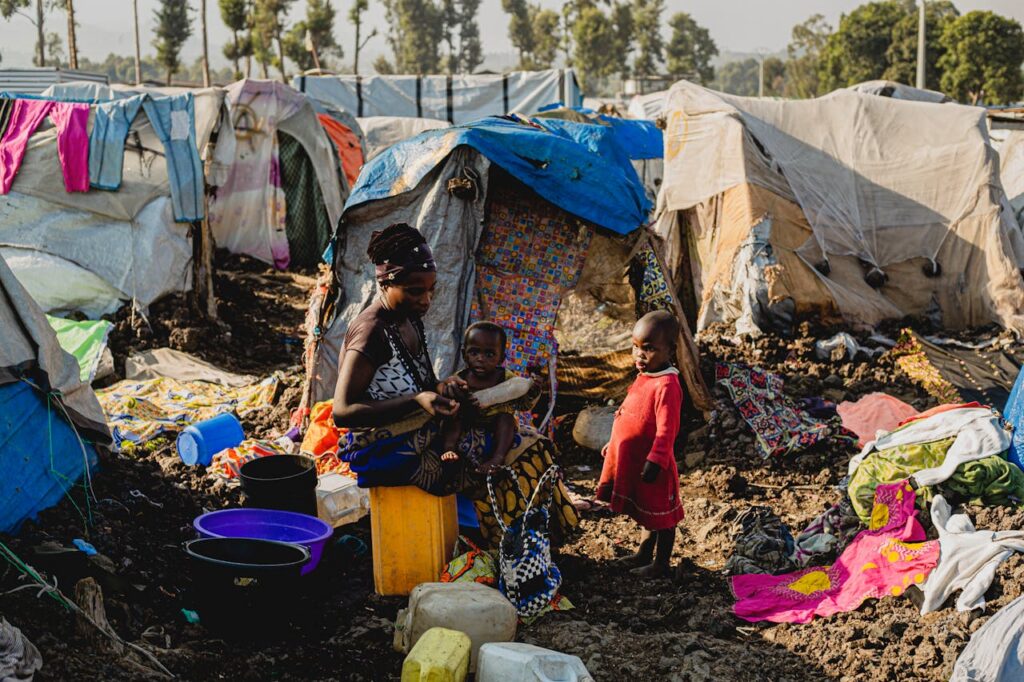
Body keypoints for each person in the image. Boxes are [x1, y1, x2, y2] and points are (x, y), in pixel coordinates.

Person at [332, 223, 579, 546]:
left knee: (526, 439)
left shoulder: (407, 319)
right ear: (386, 282)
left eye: (431, 290)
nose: (426, 300)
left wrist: (442, 388)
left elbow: (420, 383)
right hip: (384, 449)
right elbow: (342, 411)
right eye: (416, 291)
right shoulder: (371, 332)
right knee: (501, 455)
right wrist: (418, 400)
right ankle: (493, 538)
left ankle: (526, 541)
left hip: (415, 428)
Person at [596, 310, 686, 577]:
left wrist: (656, 459)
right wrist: (613, 444)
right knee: (646, 511)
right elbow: (626, 412)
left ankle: (661, 564)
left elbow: (668, 430)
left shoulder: (667, 385)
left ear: (670, 349)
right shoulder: (645, 376)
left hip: (653, 465)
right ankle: (644, 553)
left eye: (649, 349)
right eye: (635, 347)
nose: (640, 355)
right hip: (633, 460)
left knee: (663, 515)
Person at [438, 322, 520, 475]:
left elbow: (521, 394)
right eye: (474, 353)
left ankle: (497, 458)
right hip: (470, 419)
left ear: (501, 357)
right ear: (464, 354)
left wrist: (533, 387)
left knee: (506, 419)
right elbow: (451, 396)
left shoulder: (505, 377)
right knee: (453, 416)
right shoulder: (461, 378)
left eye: (489, 354)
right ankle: (449, 449)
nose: (480, 359)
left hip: (496, 419)